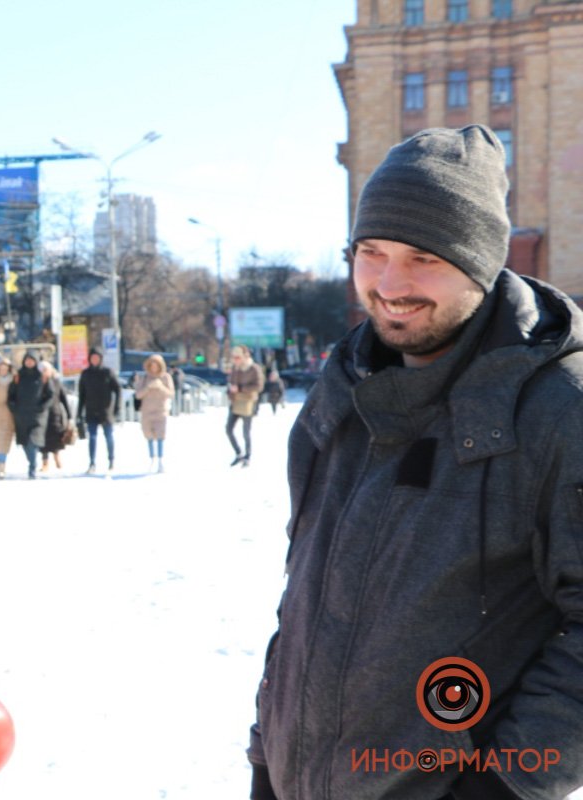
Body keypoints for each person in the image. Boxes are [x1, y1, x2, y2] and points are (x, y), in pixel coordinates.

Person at [249, 125, 583, 800]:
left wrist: (505, 786)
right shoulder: (340, 393)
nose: (390, 283)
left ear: (480, 263)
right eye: (371, 252)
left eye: (425, 257)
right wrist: (268, 759)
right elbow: (305, 604)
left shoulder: (557, 409)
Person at [6, 350, 53, 479]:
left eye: (32, 360)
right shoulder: (18, 377)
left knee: (33, 440)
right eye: (27, 360)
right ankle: (31, 461)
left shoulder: (42, 377)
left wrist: (42, 407)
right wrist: (13, 407)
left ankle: (32, 467)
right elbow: (11, 395)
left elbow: (50, 395)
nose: (29, 362)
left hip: (37, 416)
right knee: (25, 443)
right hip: (21, 416)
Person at [76, 347, 122, 474]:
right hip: (91, 411)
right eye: (92, 357)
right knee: (92, 437)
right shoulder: (85, 374)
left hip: (106, 411)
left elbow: (118, 389)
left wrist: (117, 407)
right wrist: (79, 413)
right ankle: (92, 463)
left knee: (108, 436)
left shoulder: (107, 372)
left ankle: (111, 461)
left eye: (97, 357)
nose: (95, 360)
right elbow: (82, 395)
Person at [133, 353, 174, 472]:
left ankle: (161, 460)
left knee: (161, 436)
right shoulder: (144, 378)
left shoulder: (165, 377)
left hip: (161, 411)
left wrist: (160, 387)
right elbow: (138, 394)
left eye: (156, 365)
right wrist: (148, 387)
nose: (154, 367)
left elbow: (171, 394)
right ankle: (152, 459)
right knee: (149, 435)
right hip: (147, 411)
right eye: (152, 365)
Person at [225, 344, 263, 467]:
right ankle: (238, 453)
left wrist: (241, 388)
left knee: (246, 431)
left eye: (238, 357)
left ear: (244, 356)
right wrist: (230, 391)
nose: (235, 360)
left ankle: (248, 455)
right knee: (228, 429)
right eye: (234, 358)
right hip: (235, 402)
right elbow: (231, 383)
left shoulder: (254, 368)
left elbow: (259, 386)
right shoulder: (235, 369)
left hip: (248, 401)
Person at [37, 361, 73, 472]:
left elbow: (63, 399)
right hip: (42, 414)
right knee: (43, 439)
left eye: (46, 370)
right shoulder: (37, 383)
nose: (44, 372)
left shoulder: (56, 382)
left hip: (55, 414)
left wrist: (69, 414)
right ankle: (45, 462)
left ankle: (57, 458)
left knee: (56, 438)